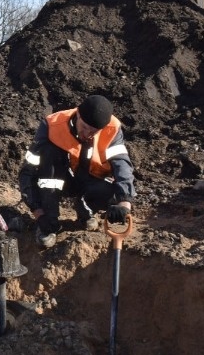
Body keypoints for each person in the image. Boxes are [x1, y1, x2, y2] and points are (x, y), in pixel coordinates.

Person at [17, 94, 135, 248]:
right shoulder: (52, 126)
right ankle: (49, 223)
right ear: (77, 114)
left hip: (90, 178)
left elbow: (122, 165)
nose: (88, 134)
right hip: (58, 179)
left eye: (94, 131)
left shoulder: (112, 129)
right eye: (85, 128)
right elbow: (28, 172)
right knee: (50, 154)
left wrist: (124, 203)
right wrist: (39, 213)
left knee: (114, 192)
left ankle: (85, 209)